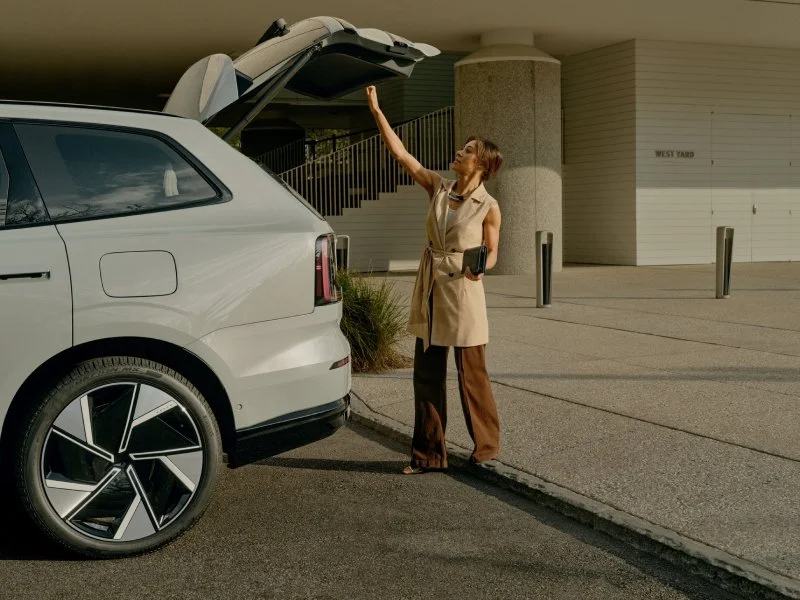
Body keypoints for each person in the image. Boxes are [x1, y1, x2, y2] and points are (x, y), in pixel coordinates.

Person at [365, 85, 504, 474]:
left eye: (469, 149)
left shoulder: (489, 206)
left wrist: (482, 266)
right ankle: (428, 455)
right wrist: (377, 111)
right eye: (463, 146)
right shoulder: (439, 189)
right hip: (430, 288)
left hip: (464, 290)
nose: (461, 151)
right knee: (426, 377)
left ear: (482, 164)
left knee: (471, 375)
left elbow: (493, 251)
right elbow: (401, 155)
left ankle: (486, 449)